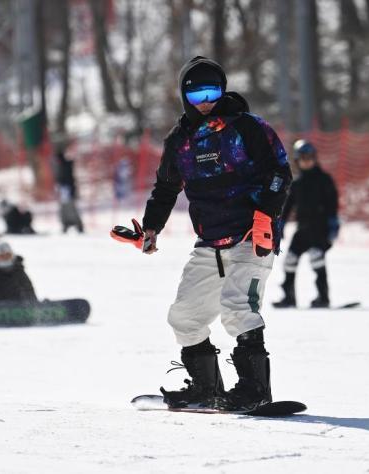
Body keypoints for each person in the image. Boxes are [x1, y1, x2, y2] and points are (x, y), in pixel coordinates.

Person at [112, 56, 292, 411]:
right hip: (210, 242)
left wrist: (265, 216)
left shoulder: (249, 128)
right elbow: (165, 189)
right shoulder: (180, 141)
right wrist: (150, 230)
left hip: (251, 237)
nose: (207, 101)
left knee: (238, 308)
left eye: (213, 91)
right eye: (197, 95)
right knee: (184, 316)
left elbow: (280, 173)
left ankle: (254, 390)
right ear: (185, 97)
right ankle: (204, 389)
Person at [273, 139, 340, 309]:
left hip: (320, 229)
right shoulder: (297, 183)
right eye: (302, 157)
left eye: (309, 157)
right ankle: (289, 297)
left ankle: (323, 297)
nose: (306, 160)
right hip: (302, 230)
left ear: (315, 158)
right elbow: (288, 206)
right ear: (297, 160)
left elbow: (333, 203)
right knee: (289, 261)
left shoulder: (324, 180)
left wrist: (333, 224)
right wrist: (280, 224)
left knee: (317, 259)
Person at [54, 147, 84, 233]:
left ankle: (78, 225)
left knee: (72, 209)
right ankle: (66, 224)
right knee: (64, 209)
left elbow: (66, 177)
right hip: (64, 190)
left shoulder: (66, 165)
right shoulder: (60, 166)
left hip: (68, 190)